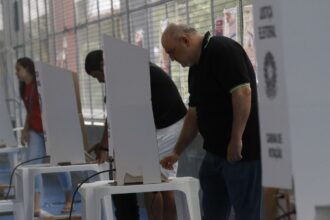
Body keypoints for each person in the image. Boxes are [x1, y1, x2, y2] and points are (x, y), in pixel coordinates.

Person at [160, 23, 261, 220]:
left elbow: (243, 92)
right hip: (214, 153)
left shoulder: (222, 50)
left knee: (246, 214)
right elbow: (193, 115)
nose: (171, 58)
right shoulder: (196, 68)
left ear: (186, 41)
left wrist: (236, 139)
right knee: (213, 212)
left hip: (241, 153)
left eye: (172, 52)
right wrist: (177, 151)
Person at [84, 50, 187, 220]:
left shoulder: (122, 74)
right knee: (158, 183)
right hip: (163, 124)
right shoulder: (130, 69)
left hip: (169, 126)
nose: (100, 81)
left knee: (152, 181)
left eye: (97, 76)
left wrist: (104, 146)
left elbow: (113, 116)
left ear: (104, 66)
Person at [16, 57, 73, 217]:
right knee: (33, 166)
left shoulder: (41, 83)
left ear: (28, 68)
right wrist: (25, 130)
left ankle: (69, 198)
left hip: (51, 129)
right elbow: (29, 111)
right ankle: (36, 204)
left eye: (18, 69)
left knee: (60, 164)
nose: (16, 73)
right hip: (35, 131)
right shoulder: (23, 87)